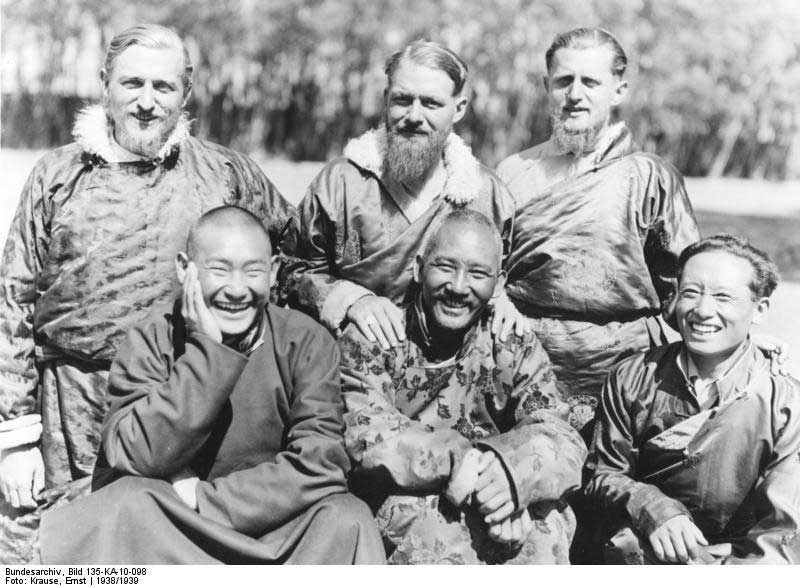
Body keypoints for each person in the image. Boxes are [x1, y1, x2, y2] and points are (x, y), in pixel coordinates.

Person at [0, 24, 298, 525]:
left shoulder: (225, 172)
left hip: (183, 404)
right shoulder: (57, 176)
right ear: (104, 84)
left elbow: (293, 260)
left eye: (163, 87)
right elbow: (12, 301)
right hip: (67, 410)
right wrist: (14, 436)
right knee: (53, 556)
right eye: (132, 83)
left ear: (186, 92)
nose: (146, 102)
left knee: (164, 550)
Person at [34, 206, 384, 564]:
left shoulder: (306, 341)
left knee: (348, 517)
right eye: (219, 270)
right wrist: (209, 353)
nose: (236, 290)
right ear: (185, 269)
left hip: (275, 523)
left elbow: (321, 463)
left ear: (274, 271)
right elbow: (134, 452)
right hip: (176, 526)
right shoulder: (154, 337)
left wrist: (206, 498)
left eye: (253, 271)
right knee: (124, 503)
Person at [339, 209, 587, 564]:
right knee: (435, 533)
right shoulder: (377, 335)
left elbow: (560, 434)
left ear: (499, 283)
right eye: (444, 267)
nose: (458, 286)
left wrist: (511, 479)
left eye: (477, 273)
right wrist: (460, 460)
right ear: (418, 268)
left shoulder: (510, 341)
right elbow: (365, 433)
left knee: (547, 525)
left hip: (495, 494)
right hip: (409, 496)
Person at [496, 27, 700, 433]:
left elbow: (686, 283)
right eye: (563, 81)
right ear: (546, 86)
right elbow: (483, 268)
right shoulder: (512, 171)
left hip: (625, 372)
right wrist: (497, 297)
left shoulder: (649, 176)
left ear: (618, 91)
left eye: (590, 81)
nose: (575, 94)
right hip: (521, 360)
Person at [289, 40, 522, 352]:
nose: (414, 116)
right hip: (352, 365)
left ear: (459, 108)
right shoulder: (340, 184)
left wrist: (500, 301)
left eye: (431, 103)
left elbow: (498, 278)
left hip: (453, 375)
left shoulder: (488, 194)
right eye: (402, 100)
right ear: (386, 100)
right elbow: (291, 271)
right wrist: (350, 299)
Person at [585, 235, 800, 564]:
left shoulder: (783, 399)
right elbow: (601, 476)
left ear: (760, 310)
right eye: (690, 293)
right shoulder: (633, 377)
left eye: (723, 297)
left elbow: (784, 528)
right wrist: (651, 506)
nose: (702, 310)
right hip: (646, 546)